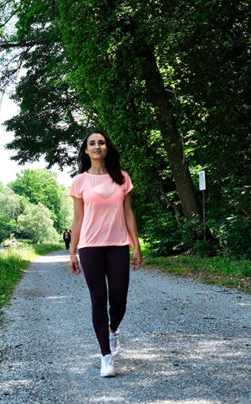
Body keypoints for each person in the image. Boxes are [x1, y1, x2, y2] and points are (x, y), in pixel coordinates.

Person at [68, 129, 143, 377]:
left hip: (118, 245)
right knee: (98, 299)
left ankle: (112, 330)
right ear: (86, 150)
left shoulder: (121, 178)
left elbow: (129, 212)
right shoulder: (80, 181)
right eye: (92, 143)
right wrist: (73, 252)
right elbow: (78, 218)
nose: (97, 146)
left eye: (101, 142)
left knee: (119, 300)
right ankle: (106, 356)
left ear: (106, 147)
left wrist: (137, 246)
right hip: (90, 246)